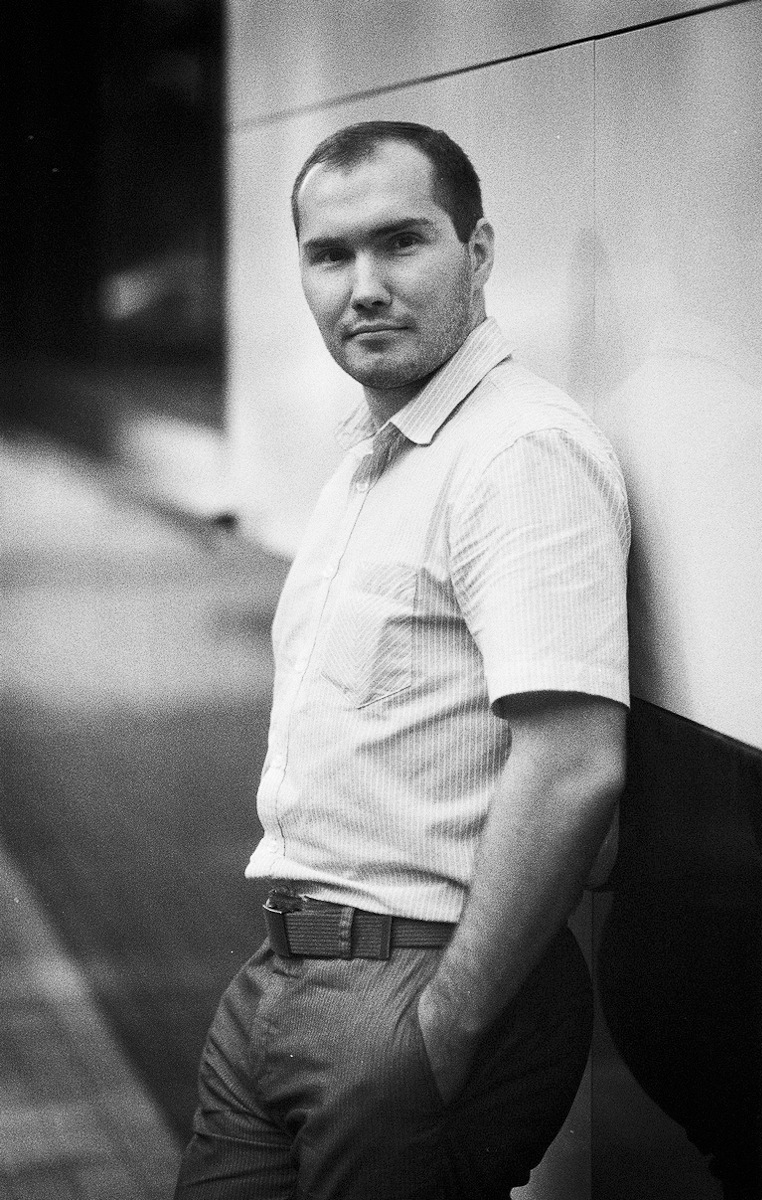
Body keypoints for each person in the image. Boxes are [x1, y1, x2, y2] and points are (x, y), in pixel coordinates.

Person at [175, 120, 630, 1199]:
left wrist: (445, 1027)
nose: (364, 287)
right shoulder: (371, 461)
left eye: (401, 242)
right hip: (281, 979)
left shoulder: (518, 452)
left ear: (478, 252)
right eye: (330, 255)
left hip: (411, 989)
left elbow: (574, 765)